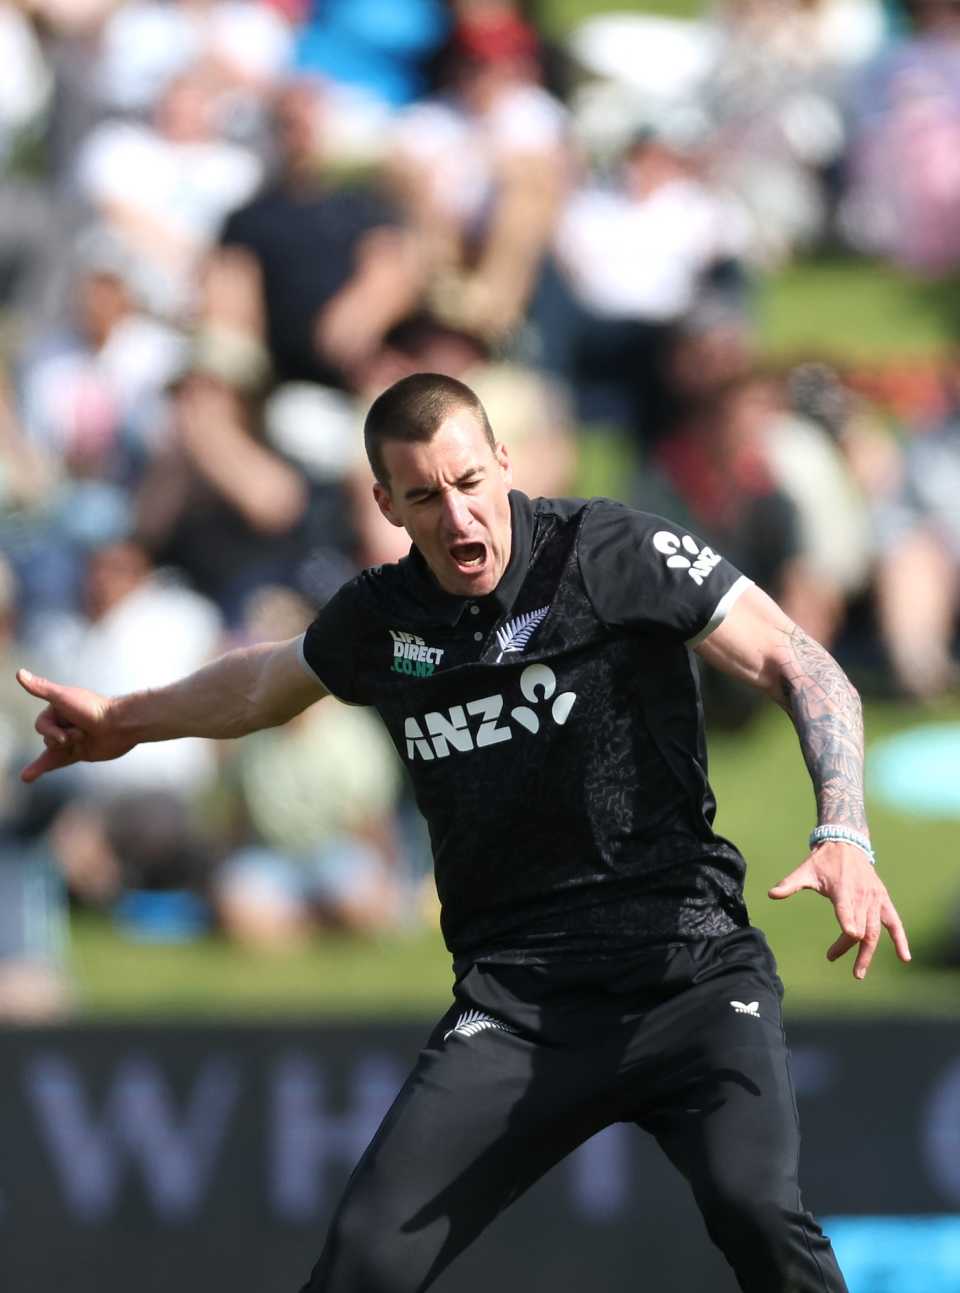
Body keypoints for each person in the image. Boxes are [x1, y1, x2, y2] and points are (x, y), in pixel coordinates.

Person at [17, 372, 910, 1293]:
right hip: (519, 1004)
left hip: (689, 974)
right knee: (364, 1261)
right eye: (425, 496)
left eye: (471, 481)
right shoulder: (382, 618)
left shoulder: (609, 551)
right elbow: (259, 685)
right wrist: (124, 719)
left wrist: (844, 827)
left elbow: (800, 663)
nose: (458, 515)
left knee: (755, 1209)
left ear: (504, 463)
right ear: (386, 505)